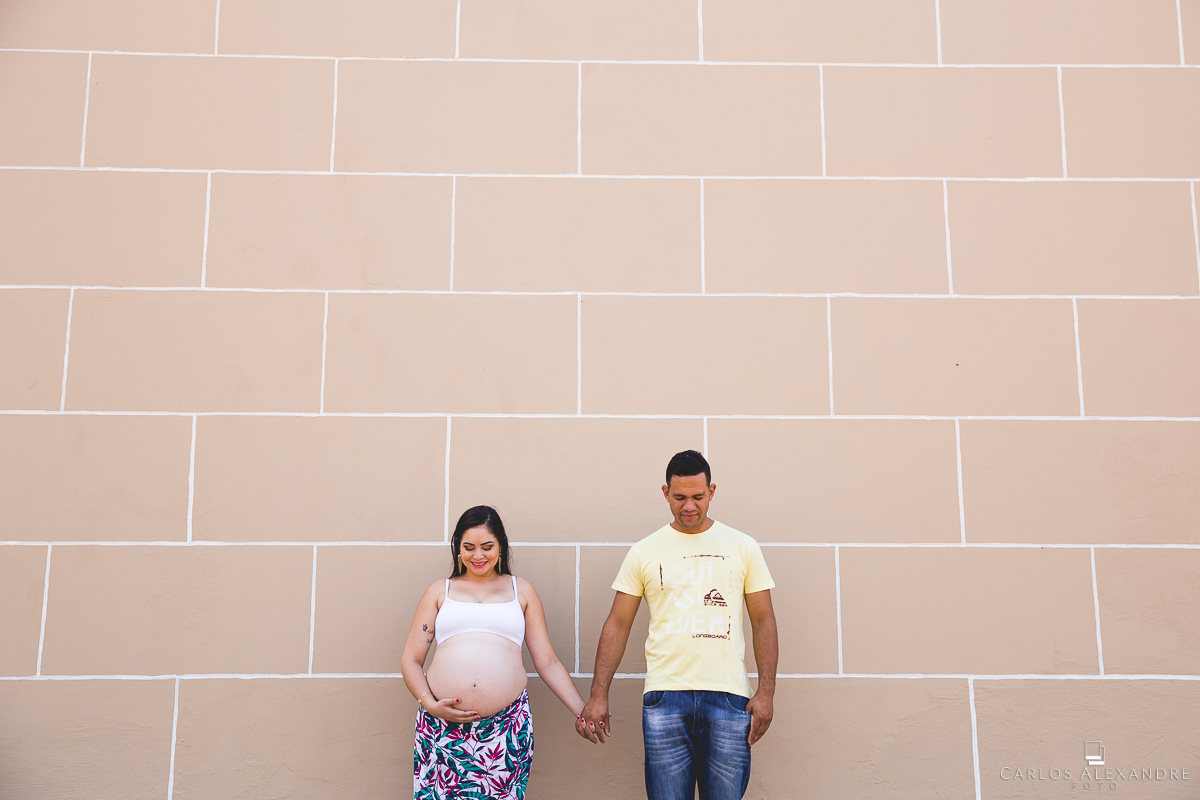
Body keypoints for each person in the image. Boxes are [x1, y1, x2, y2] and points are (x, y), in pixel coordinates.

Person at [577, 450, 779, 800]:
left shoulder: (742, 547)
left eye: (698, 497)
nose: (689, 506)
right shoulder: (645, 551)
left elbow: (764, 620)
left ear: (712, 491)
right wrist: (598, 694)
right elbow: (618, 624)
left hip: (729, 698)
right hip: (665, 697)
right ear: (665, 492)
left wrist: (766, 693)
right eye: (680, 497)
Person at [402, 505, 590, 800]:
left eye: (487, 547)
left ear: (501, 546)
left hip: (505, 729)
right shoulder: (440, 591)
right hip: (443, 726)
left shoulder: (522, 591)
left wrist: (582, 711)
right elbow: (411, 660)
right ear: (458, 549)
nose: (478, 556)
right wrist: (429, 704)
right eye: (469, 547)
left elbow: (549, 662)